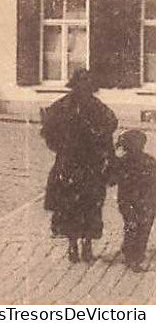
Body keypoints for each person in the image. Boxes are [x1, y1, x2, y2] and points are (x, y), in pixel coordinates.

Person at [41, 68, 119, 262]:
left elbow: (109, 130)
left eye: (87, 86)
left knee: (88, 205)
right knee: (73, 205)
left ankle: (85, 245)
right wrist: (63, 148)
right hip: (73, 164)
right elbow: (49, 133)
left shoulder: (96, 107)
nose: (84, 89)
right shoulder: (64, 107)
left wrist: (106, 157)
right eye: (81, 85)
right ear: (75, 86)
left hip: (86, 165)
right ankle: (75, 245)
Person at [108, 129, 156, 272]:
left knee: (132, 225)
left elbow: (111, 181)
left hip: (129, 201)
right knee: (142, 227)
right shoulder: (150, 161)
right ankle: (136, 255)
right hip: (146, 201)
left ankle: (131, 254)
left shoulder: (121, 162)